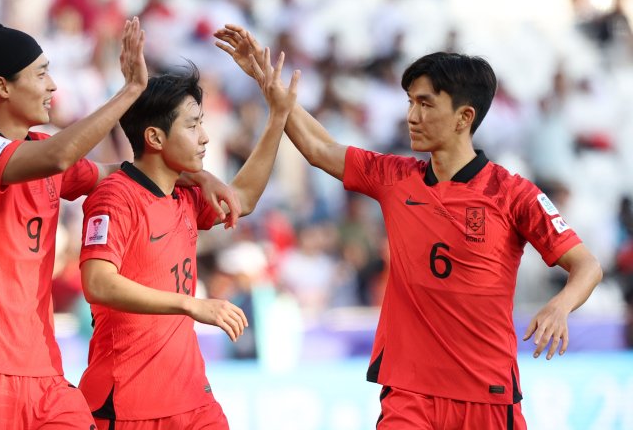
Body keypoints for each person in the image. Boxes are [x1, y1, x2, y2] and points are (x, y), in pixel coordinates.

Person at [214, 24, 604, 429]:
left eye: (425, 104)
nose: (411, 116)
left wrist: (560, 306)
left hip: (486, 393)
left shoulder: (512, 193)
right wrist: (266, 83)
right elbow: (319, 149)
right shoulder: (395, 177)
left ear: (463, 117)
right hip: (409, 391)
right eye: (409, 102)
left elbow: (587, 265)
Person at [0, 18, 240, 430]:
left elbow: (125, 172)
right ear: (3, 87)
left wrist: (199, 175)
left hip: (45, 374)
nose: (53, 86)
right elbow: (59, 158)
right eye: (41, 74)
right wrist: (129, 92)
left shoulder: (41, 150)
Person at [77, 51, 299, 429]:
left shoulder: (184, 195)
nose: (205, 136)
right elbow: (97, 282)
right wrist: (191, 305)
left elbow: (240, 199)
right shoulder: (115, 197)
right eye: (193, 125)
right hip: (129, 402)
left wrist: (277, 116)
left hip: (193, 399)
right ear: (155, 137)